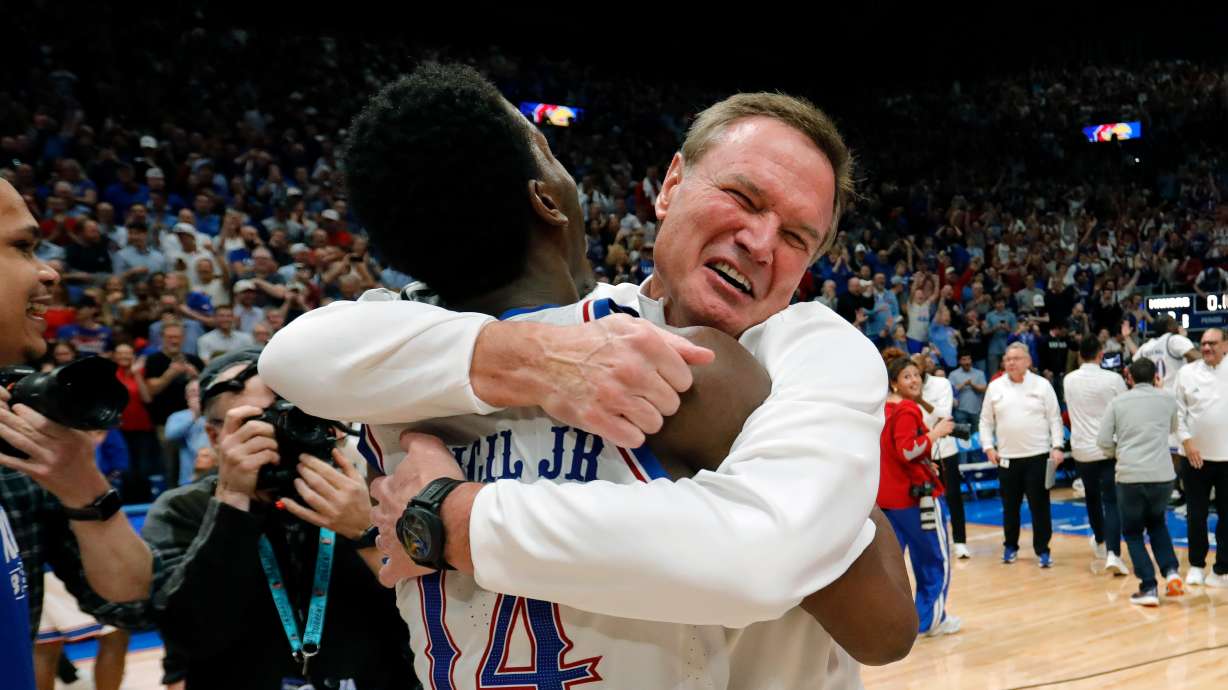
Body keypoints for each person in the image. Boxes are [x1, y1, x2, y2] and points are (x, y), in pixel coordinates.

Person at [263, 65, 913, 685]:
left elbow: (878, 623)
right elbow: (293, 357)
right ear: (669, 185)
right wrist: (538, 363)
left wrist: (447, 520)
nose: (762, 242)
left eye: (799, 237)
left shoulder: (391, 366)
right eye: (742, 196)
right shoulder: (676, 363)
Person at [141, 349, 414, 688]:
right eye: (262, 421)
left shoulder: (373, 495)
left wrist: (366, 533)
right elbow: (191, 638)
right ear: (215, 437)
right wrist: (231, 501)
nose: (284, 432)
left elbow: (425, 626)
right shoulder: (184, 508)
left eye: (295, 415)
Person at [0, 178, 161, 690]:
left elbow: (129, 604)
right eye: (23, 247)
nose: (48, 273)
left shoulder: (20, 443)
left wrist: (83, 488)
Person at [878, 351, 960, 635]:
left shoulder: (880, 408)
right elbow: (907, 450)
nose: (914, 380)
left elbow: (894, 452)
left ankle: (893, 623)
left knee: (893, 568)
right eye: (906, 376)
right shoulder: (908, 410)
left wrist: (926, 461)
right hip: (916, 499)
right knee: (934, 560)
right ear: (894, 382)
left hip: (887, 501)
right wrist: (935, 434)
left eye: (916, 375)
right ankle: (931, 622)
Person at [1097, 358, 1184, 606]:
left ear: (1129, 377)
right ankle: (1172, 572)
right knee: (1157, 524)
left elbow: (1103, 440)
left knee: (1133, 532)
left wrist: (1119, 452)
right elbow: (1172, 428)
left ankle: (1148, 587)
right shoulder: (1167, 399)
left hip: (1130, 475)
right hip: (1163, 475)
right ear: (1155, 376)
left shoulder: (1118, 402)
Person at [979, 342, 1064, 566]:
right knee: (1010, 507)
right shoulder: (995, 387)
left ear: (1028, 361)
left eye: (1016, 358)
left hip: (1037, 456)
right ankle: (1010, 547)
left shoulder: (1042, 385)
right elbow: (985, 421)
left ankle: (1043, 550)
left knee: (1040, 507)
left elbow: (1055, 418)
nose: (1011, 363)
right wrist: (988, 446)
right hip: (1007, 458)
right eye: (1007, 359)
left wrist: (1057, 446)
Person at [1063, 336, 1129, 575]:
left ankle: (1100, 542)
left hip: (1082, 449)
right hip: (1108, 447)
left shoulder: (1069, 380)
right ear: (1101, 354)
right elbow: (1123, 411)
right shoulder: (1113, 379)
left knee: (1092, 497)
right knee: (1111, 500)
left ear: (1081, 355)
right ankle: (1113, 553)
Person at [1173, 327, 1228, 587]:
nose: (1206, 348)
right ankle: (1196, 565)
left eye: (1213, 343)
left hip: (1227, 458)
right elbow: (1178, 413)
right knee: (1196, 513)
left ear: (1225, 345)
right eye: (1204, 343)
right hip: (1195, 457)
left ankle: (1222, 570)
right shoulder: (1186, 373)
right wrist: (1187, 442)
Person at [917, 353, 966, 558]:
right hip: (920, 450)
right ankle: (929, 546)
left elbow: (944, 413)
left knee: (954, 497)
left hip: (945, 449)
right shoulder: (902, 390)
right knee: (923, 500)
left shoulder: (941, 384)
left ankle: (960, 542)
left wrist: (919, 398)